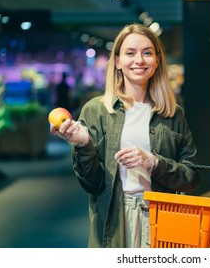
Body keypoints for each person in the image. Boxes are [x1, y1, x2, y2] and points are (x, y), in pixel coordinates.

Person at [49, 23, 201, 248]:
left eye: (147, 53)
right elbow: (92, 184)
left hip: (164, 219)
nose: (139, 60)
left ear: (157, 60)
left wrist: (153, 163)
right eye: (130, 53)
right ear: (118, 61)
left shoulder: (172, 113)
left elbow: (192, 176)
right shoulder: (96, 111)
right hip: (114, 220)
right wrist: (83, 145)